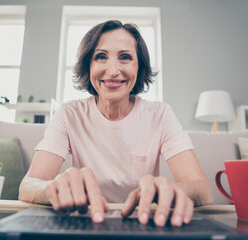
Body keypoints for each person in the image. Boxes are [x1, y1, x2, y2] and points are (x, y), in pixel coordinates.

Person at [19, 20, 213, 228]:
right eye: (101, 57)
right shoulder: (69, 114)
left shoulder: (160, 114)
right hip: (85, 224)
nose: (112, 70)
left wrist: (175, 190)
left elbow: (203, 190)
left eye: (125, 57)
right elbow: (28, 186)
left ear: (139, 67)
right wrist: (50, 188)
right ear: (88, 65)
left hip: (143, 225)